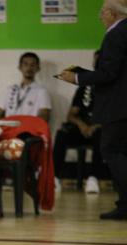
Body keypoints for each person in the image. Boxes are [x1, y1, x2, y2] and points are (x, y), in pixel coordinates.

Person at [59, 0, 127, 220]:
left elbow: (108, 74)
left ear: (112, 13)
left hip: (118, 106)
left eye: (102, 12)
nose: (100, 17)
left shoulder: (116, 34)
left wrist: (77, 77)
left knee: (112, 151)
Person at [53, 51, 103, 194]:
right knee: (62, 133)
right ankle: (55, 177)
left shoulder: (115, 87)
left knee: (101, 135)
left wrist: (96, 126)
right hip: (83, 127)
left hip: (101, 127)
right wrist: (82, 125)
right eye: (96, 61)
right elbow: (71, 115)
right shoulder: (85, 86)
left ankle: (93, 178)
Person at [0, 52, 52, 123]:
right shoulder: (10, 90)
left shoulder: (42, 91)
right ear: (20, 67)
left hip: (29, 131)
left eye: (32, 65)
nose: (29, 68)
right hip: (9, 130)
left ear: (38, 68)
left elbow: (44, 117)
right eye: (25, 64)